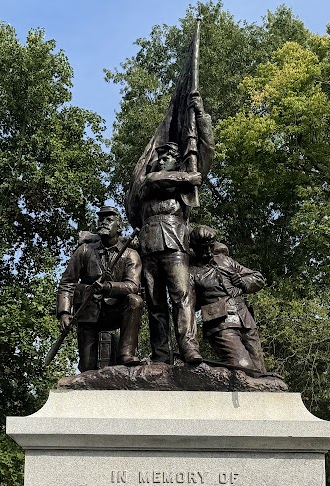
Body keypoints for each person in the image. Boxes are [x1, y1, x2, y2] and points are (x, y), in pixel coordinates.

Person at [137, 93, 214, 365]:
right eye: (161, 156)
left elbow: (207, 151)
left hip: (175, 243)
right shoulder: (149, 182)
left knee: (182, 297)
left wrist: (201, 116)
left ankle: (189, 348)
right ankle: (160, 354)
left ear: (177, 160)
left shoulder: (184, 188)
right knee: (155, 304)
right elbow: (151, 180)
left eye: (169, 156)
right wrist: (186, 177)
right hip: (149, 246)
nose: (162, 159)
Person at [57, 207, 142, 372]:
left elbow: (133, 285)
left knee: (135, 301)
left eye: (109, 220)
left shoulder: (130, 254)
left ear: (120, 227)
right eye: (101, 219)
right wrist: (64, 312)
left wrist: (108, 287)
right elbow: (68, 282)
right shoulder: (84, 251)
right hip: (88, 311)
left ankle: (126, 354)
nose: (103, 222)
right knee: (87, 368)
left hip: (116, 310)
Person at [189, 225, 267, 373]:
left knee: (260, 371)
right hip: (220, 325)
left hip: (245, 320)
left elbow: (258, 278)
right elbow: (188, 306)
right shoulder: (191, 273)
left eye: (210, 247)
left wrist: (243, 283)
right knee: (244, 367)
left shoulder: (225, 261)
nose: (207, 252)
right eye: (202, 249)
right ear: (194, 248)